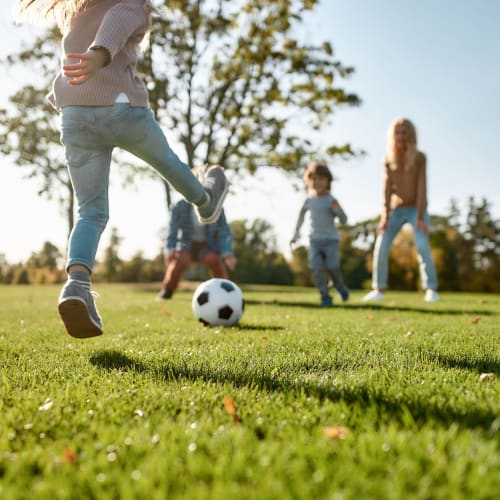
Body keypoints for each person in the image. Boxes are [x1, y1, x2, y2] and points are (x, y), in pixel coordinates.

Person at [15, 0, 228, 338]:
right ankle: (205, 201)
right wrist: (101, 53)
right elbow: (116, 21)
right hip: (121, 108)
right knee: (170, 164)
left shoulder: (76, 11)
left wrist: (70, 93)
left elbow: (81, 49)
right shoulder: (133, 4)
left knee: (91, 212)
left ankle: (76, 285)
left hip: (75, 117)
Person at [363, 118, 439, 303]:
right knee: (381, 245)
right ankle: (378, 289)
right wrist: (385, 217)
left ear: (411, 135)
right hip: (396, 210)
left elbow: (422, 189)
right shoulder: (388, 160)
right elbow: (387, 191)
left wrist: (420, 217)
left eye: (404, 132)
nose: (401, 136)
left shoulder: (420, 158)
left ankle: (431, 288)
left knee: (422, 245)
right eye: (397, 132)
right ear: (392, 136)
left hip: (416, 209)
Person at [290, 161, 349, 307]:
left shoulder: (331, 200)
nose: (317, 182)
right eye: (314, 179)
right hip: (315, 241)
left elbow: (344, 220)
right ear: (309, 181)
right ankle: (325, 296)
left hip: (331, 240)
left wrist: (337, 210)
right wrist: (296, 234)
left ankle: (339, 286)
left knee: (333, 267)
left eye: (321, 179)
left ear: (328, 181)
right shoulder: (308, 200)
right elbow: (300, 217)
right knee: (316, 269)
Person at [158, 196, 237, 300]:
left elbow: (224, 230)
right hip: (186, 245)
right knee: (180, 260)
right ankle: (167, 290)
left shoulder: (215, 207)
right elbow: (172, 228)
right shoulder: (179, 206)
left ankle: (225, 293)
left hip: (207, 245)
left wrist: (227, 252)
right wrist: (170, 248)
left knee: (214, 260)